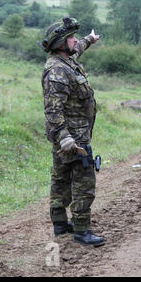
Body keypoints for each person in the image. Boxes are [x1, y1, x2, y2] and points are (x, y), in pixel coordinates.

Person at [39, 17, 104, 247]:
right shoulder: (57, 71)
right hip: (72, 138)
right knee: (83, 183)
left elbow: (79, 47)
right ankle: (82, 231)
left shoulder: (67, 59)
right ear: (60, 43)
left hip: (70, 135)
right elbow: (53, 110)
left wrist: (90, 39)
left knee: (61, 177)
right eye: (71, 37)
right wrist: (65, 137)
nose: (75, 40)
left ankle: (59, 223)